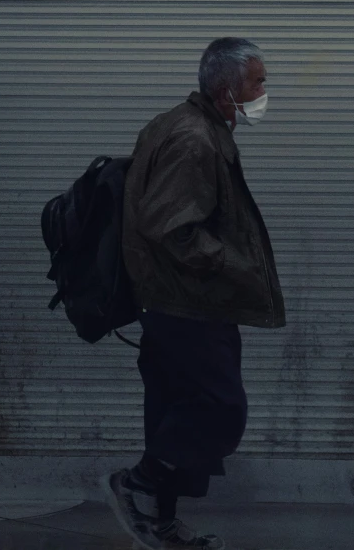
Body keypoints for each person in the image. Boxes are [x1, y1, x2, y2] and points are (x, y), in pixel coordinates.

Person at [101, 38, 286, 550]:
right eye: (258, 81)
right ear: (228, 90)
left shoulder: (184, 123)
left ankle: (160, 528)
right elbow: (171, 226)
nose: (264, 90)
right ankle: (136, 483)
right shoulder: (193, 139)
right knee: (220, 407)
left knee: (174, 410)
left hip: (169, 300)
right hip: (187, 302)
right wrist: (233, 266)